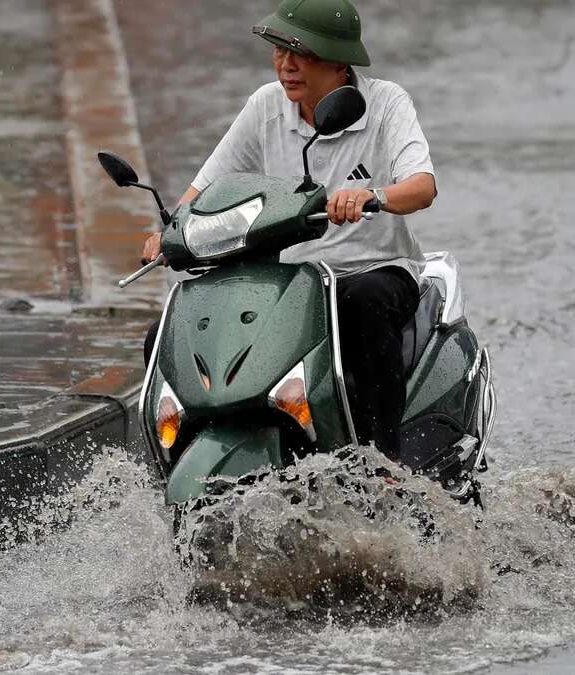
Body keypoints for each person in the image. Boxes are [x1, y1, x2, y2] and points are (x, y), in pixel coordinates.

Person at [142, 0, 437, 462]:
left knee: (363, 306)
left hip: (372, 269)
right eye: (279, 51)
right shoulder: (265, 105)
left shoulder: (386, 103)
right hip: (289, 281)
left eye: (305, 55)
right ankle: (171, 456)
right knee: (169, 332)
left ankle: (386, 462)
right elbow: (206, 185)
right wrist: (171, 231)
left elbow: (422, 187)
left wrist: (371, 196)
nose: (287, 65)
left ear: (340, 62)